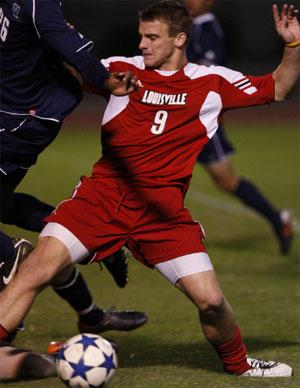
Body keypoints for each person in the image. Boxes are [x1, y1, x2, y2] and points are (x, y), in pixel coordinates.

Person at [0, 0, 299, 378]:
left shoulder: (212, 83)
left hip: (162, 216)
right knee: (36, 269)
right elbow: (67, 67)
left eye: (152, 37)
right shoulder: (119, 70)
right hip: (101, 200)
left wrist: (293, 47)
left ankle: (239, 366)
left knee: (211, 300)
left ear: (179, 39)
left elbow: (280, 87)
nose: (142, 44)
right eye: (141, 36)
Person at [0, 0, 147, 336]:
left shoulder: (37, 5)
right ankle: (91, 308)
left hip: (23, 122)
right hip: (11, 113)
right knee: (5, 204)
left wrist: (108, 82)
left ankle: (11, 257)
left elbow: (75, 52)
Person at [184, 0, 294, 254]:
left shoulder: (207, 28)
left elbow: (207, 73)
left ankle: (279, 221)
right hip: (180, 116)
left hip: (202, 121)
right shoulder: (188, 26)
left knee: (226, 180)